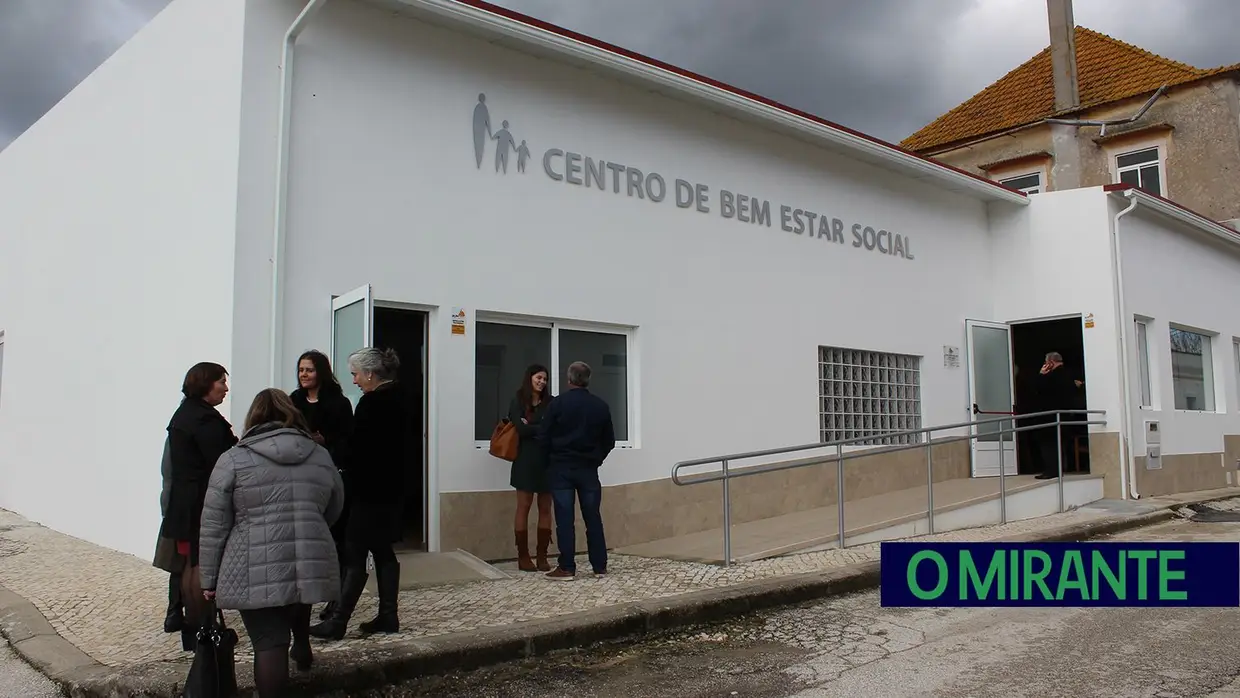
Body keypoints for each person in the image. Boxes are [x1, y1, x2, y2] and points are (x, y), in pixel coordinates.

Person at [199, 388, 345, 697]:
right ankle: (302, 650)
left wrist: (209, 579)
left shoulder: (234, 459)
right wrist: (309, 528)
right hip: (309, 554)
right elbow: (335, 505)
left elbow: (214, 524)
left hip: (252, 563)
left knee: (269, 643)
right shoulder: (319, 455)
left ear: (253, 417)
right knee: (297, 600)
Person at [310, 347, 411, 640]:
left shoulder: (372, 404)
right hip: (392, 489)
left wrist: (331, 446)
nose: (354, 380)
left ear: (369, 373)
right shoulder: (402, 398)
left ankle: (338, 620)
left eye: (355, 374)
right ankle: (388, 615)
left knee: (354, 551)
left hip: (369, 491)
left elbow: (361, 451)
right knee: (382, 549)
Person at [158, 362, 238, 651]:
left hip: (187, 504)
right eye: (221, 382)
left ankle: (197, 629)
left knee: (192, 565)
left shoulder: (188, 414)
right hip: (200, 504)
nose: (226, 388)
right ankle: (200, 630)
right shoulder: (202, 420)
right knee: (198, 567)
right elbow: (221, 462)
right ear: (206, 383)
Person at [289, 350, 355, 621]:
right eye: (301, 370)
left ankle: (334, 599)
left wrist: (324, 441)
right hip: (301, 476)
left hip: (330, 475)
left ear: (321, 372)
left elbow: (348, 442)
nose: (304, 375)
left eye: (310, 370)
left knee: (335, 541)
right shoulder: (293, 401)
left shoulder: (338, 403)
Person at [537, 361, 616, 580]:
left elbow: (543, 438)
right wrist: (596, 459)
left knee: (564, 519)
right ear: (588, 380)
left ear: (569, 379)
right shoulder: (600, 406)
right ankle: (599, 566)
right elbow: (609, 440)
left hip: (561, 468)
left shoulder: (558, 404)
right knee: (593, 517)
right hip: (588, 469)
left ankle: (567, 567)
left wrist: (548, 464)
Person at [508, 364, 554, 572]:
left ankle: (542, 556)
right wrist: (539, 427)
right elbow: (520, 429)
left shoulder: (551, 402)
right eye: (538, 377)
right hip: (525, 459)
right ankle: (523, 556)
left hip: (547, 460)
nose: (542, 381)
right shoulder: (518, 400)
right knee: (523, 507)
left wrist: (532, 426)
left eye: (544, 378)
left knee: (545, 508)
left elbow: (552, 429)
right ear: (530, 378)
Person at [1032, 352, 1078, 479]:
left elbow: (1039, 390)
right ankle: (1060, 468)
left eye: (1046, 362)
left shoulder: (1052, 376)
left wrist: (1041, 375)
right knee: (1060, 443)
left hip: (1050, 416)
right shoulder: (1069, 375)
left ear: (1051, 362)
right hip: (1065, 416)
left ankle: (1052, 471)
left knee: (1049, 444)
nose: (1045, 365)